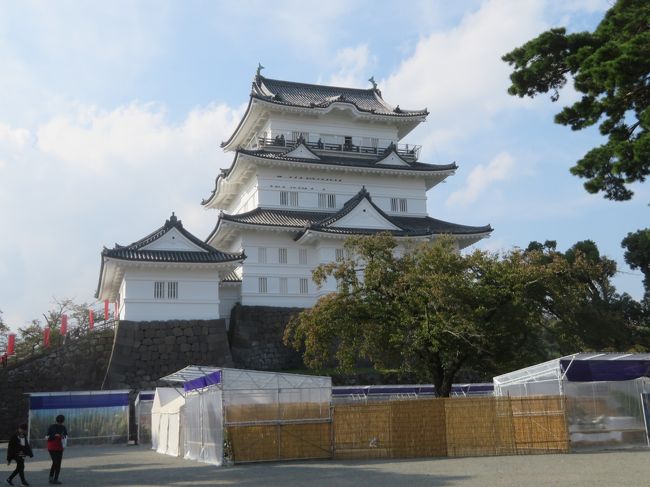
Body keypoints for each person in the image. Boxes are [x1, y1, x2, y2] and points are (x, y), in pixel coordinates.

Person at [46, 415, 67, 485]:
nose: (60, 422)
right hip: (51, 447)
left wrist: (63, 444)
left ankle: (54, 478)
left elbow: (65, 437)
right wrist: (55, 435)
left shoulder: (63, 428)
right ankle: (53, 478)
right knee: (56, 463)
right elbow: (47, 437)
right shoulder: (52, 427)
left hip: (59, 447)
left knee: (57, 463)